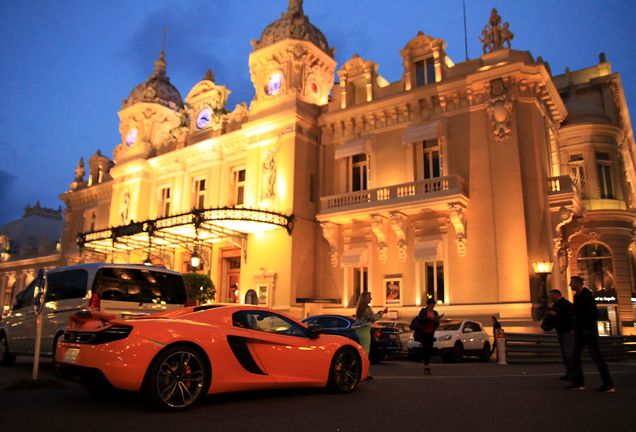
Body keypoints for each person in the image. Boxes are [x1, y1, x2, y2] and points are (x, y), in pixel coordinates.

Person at [567, 276, 615, 392]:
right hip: (580, 331)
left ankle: (608, 384)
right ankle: (578, 383)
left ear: (578, 283)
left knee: (597, 357)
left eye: (571, 283)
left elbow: (593, 314)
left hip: (588, 331)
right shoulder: (576, 297)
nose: (570, 285)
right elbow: (577, 315)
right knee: (575, 356)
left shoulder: (587, 296)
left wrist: (587, 328)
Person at [546, 289, 575, 381]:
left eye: (552, 295)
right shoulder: (556, 305)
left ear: (557, 295)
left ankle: (573, 373)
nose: (550, 298)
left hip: (567, 331)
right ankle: (569, 372)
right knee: (565, 353)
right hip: (561, 331)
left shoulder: (566, 304)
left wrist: (555, 314)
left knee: (568, 353)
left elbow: (570, 316)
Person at [353, 291, 387, 359]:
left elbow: (371, 317)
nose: (371, 299)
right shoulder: (365, 308)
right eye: (369, 297)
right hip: (363, 331)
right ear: (365, 298)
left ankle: (363, 365)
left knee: (363, 350)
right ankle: (364, 366)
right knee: (365, 350)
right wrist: (382, 313)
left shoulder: (363, 308)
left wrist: (378, 314)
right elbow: (371, 318)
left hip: (362, 330)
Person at [410, 299, 441, 375]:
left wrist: (437, 320)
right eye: (432, 305)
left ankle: (427, 365)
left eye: (434, 305)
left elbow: (437, 324)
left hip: (431, 334)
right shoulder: (423, 311)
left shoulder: (435, 312)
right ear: (428, 304)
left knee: (429, 350)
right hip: (423, 333)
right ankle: (426, 366)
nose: (433, 307)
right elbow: (421, 319)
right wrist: (430, 319)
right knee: (425, 350)